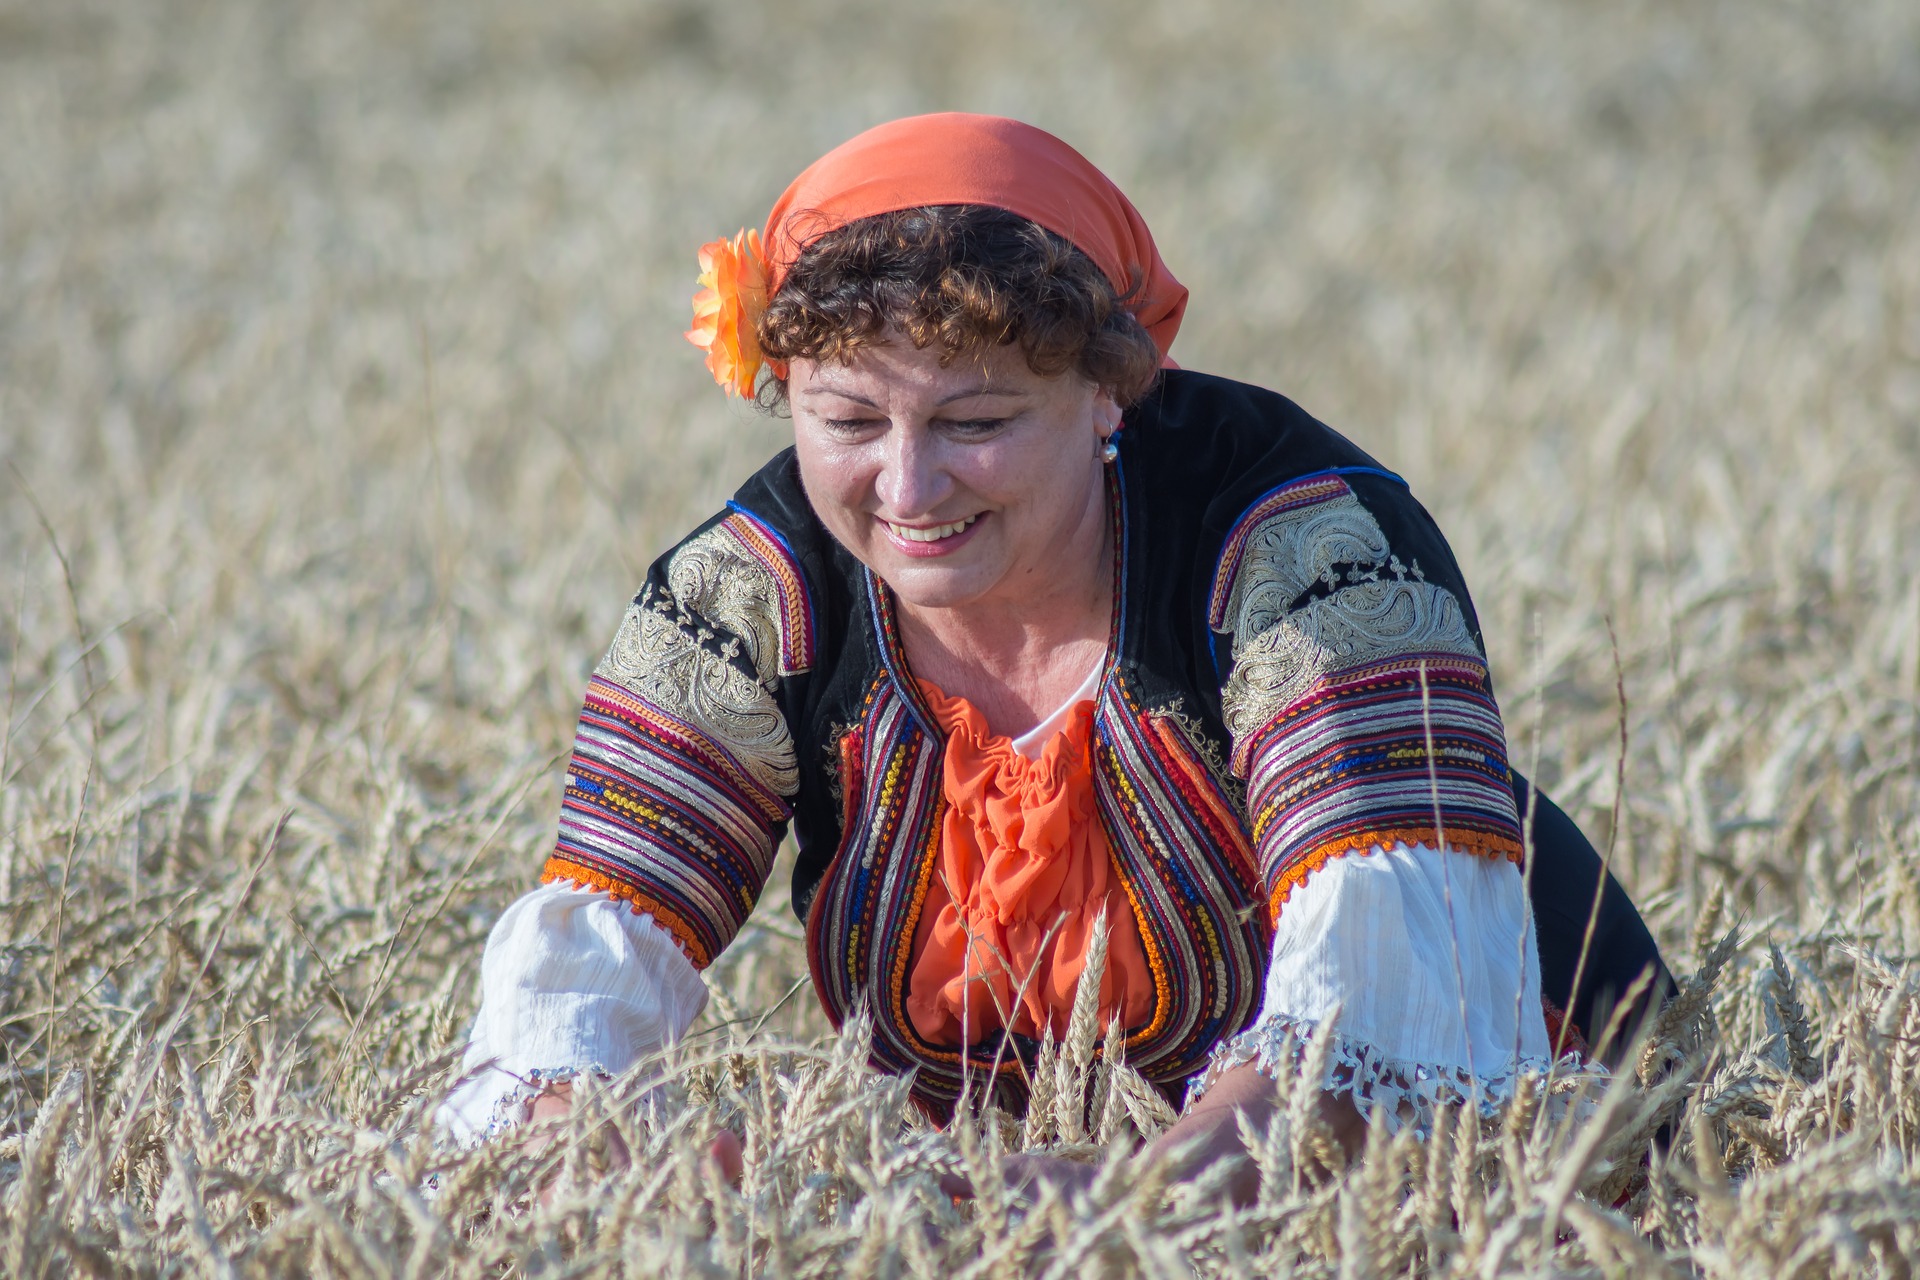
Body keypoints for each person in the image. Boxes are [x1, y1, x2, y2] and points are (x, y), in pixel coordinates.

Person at [438, 114, 1668, 1194]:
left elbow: (1369, 1052)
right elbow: (577, 990)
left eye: (976, 421)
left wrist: (1120, 1200)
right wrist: (606, 1161)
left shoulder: (1307, 553)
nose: (908, 487)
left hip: (1507, 1151)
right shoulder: (748, 593)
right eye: (849, 419)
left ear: (1106, 393)